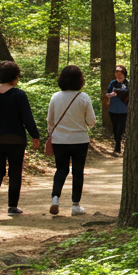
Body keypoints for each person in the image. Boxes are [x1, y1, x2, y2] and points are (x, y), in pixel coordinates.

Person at [0, 61, 41, 219]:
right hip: (15, 140)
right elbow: (27, 119)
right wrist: (35, 136)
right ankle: (12, 207)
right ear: (15, 77)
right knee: (15, 172)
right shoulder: (19, 94)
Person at [48, 65, 98, 216]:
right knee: (78, 171)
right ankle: (75, 205)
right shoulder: (83, 97)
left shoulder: (55, 97)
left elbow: (50, 120)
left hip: (59, 140)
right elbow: (91, 121)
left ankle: (55, 199)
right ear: (80, 80)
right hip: (79, 139)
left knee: (61, 170)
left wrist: (51, 134)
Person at [103, 64, 130, 155]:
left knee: (121, 129)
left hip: (124, 110)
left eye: (120, 71)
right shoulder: (113, 83)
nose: (118, 73)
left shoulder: (128, 83)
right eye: (116, 71)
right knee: (115, 129)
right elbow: (107, 94)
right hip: (113, 110)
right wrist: (111, 95)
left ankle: (119, 146)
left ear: (124, 73)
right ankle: (117, 146)